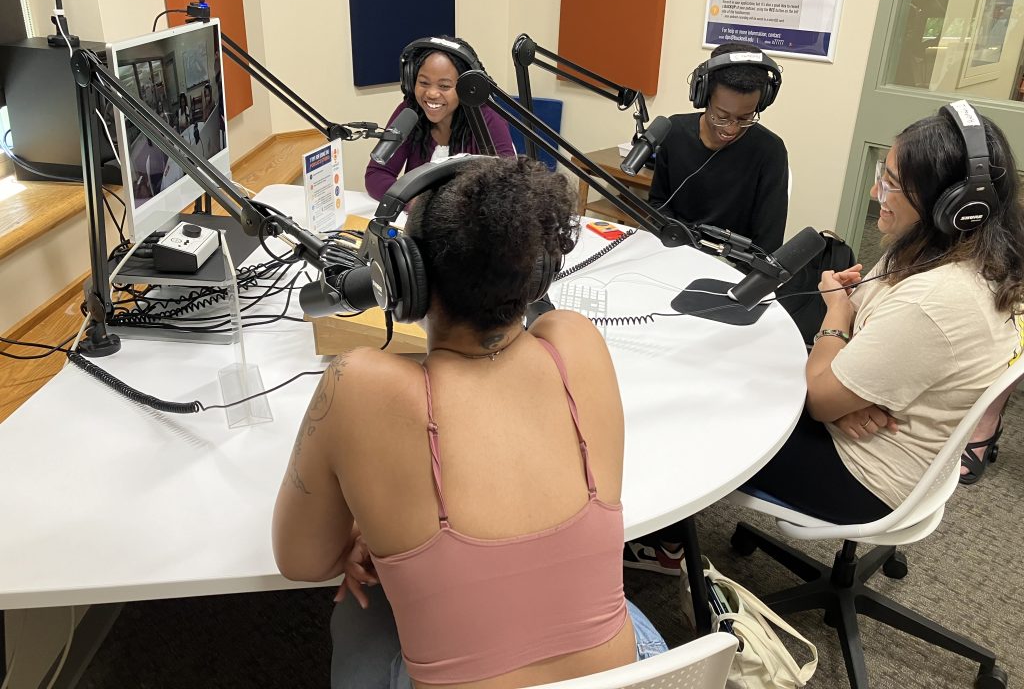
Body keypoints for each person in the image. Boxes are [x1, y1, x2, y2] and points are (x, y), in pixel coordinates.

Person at [274, 157, 666, 688]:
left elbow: (302, 561)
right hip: (630, 680)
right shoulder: (577, 342)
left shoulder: (360, 384)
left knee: (362, 613)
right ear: (538, 275)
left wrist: (379, 525)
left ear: (402, 279)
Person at [626, 103, 1024, 573]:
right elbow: (862, 331)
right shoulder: (955, 252)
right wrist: (846, 383)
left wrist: (835, 320)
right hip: (898, 441)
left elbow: (820, 395)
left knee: (694, 404)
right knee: (742, 371)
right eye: (884, 174)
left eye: (893, 184)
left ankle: (664, 544)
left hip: (866, 474)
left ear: (951, 206)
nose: (877, 192)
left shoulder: (935, 298)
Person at [648, 42, 789, 253]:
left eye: (745, 118)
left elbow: (768, 242)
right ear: (703, 97)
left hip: (733, 264)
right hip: (674, 251)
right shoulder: (674, 132)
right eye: (722, 116)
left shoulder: (770, 152)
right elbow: (658, 203)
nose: (731, 129)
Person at [364, 36, 516, 200]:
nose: (431, 93)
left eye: (444, 86)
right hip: (416, 222)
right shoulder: (410, 112)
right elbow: (377, 174)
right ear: (411, 81)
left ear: (466, 88)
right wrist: (413, 203)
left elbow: (505, 189)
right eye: (423, 83)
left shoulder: (487, 120)